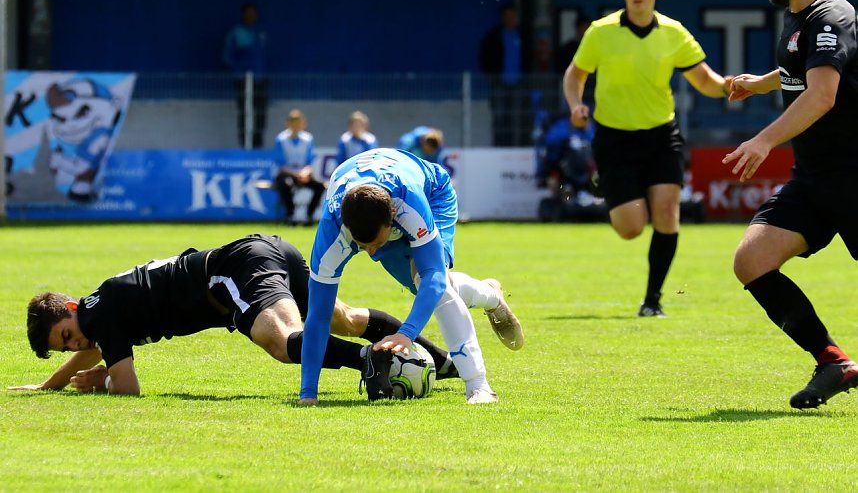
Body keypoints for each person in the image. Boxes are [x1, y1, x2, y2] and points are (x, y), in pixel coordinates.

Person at [9, 234, 461, 396]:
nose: (75, 345)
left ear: (70, 309)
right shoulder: (97, 309)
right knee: (347, 319)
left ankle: (372, 363)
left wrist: (102, 380)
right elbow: (94, 350)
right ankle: (444, 362)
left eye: (66, 335)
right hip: (264, 251)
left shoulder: (100, 318)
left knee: (283, 343)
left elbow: (126, 388)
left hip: (232, 273)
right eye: (65, 346)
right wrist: (53, 383)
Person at [724, 0, 858, 409]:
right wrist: (758, 84)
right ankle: (833, 362)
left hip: (854, 176)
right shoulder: (799, 17)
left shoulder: (831, 18)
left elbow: (822, 95)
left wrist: (763, 140)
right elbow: (798, 72)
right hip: (816, 180)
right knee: (752, 261)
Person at [563, 0, 733, 318]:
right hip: (614, 138)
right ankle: (608, 185)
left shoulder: (674, 32)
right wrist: (576, 104)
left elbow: (705, 80)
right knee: (630, 229)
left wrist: (733, 87)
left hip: (661, 135)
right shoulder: (601, 31)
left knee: (668, 214)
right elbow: (574, 75)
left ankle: (652, 300)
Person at [300, 148, 525, 405]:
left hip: (433, 194)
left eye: (376, 243)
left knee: (432, 283)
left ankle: (478, 385)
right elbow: (318, 315)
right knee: (430, 289)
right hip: (374, 202)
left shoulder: (408, 203)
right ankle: (490, 295)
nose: (372, 252)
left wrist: (406, 333)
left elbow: (434, 277)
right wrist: (308, 393)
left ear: (393, 219)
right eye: (363, 245)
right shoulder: (331, 231)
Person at [479, 2, 528, 147]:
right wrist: (491, 76)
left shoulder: (522, 35)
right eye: (507, 16)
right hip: (499, 82)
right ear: (502, 17)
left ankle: (516, 146)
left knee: (516, 117)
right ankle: (499, 146)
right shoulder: (494, 36)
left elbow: (529, 57)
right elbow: (484, 57)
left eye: (512, 16)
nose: (510, 19)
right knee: (499, 116)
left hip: (518, 83)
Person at [223, 2, 268, 149]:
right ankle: (245, 144)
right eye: (248, 13)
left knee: (260, 112)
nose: (251, 16)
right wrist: (240, 73)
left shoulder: (260, 32)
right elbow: (228, 57)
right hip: (243, 80)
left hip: (260, 79)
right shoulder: (237, 33)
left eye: (253, 13)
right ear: (244, 15)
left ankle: (257, 143)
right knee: (245, 112)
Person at [273, 109, 327, 225]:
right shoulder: (281, 139)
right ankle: (290, 215)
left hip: (304, 174)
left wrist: (304, 173)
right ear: (288, 124)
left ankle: (309, 216)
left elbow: (310, 161)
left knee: (320, 186)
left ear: (304, 124)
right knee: (286, 185)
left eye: (298, 122)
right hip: (287, 174)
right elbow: (281, 164)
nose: (296, 126)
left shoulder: (308, 139)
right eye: (293, 123)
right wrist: (296, 175)